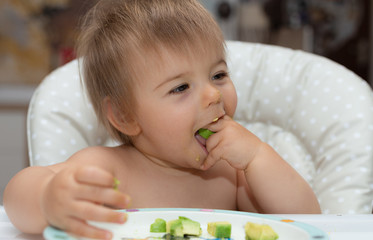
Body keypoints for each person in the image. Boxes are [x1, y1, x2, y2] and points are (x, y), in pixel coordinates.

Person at [3, 0, 321, 239]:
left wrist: (257, 157)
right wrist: (47, 198)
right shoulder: (107, 168)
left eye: (219, 75)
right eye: (181, 87)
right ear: (126, 116)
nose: (213, 94)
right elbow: (17, 198)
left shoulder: (233, 174)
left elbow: (308, 220)